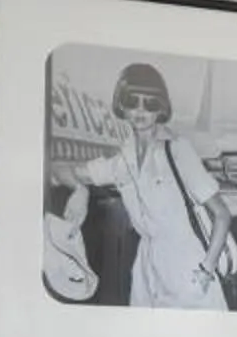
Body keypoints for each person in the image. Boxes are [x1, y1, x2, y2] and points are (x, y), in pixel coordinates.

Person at [57, 61, 225, 311]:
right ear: (122, 105)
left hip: (187, 267)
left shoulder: (178, 150)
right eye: (132, 101)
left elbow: (222, 214)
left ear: (161, 108)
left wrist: (206, 270)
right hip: (146, 269)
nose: (140, 110)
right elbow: (59, 169)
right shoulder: (123, 161)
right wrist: (80, 189)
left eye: (151, 103)